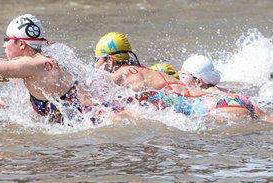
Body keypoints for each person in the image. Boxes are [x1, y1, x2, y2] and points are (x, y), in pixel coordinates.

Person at [93, 32, 271, 121]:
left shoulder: (123, 73)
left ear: (109, 59)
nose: (96, 65)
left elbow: (92, 84)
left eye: (97, 60)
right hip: (230, 99)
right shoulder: (146, 72)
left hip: (211, 107)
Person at [179, 55, 272, 122]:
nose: (180, 79)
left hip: (225, 109)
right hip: (242, 103)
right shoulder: (227, 92)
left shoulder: (201, 97)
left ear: (198, 82)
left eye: (183, 76)